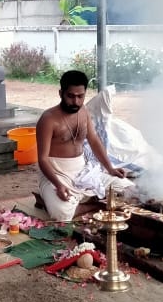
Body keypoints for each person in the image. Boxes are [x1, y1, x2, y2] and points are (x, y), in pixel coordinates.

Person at [36, 70, 132, 221]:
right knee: (61, 214)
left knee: (128, 189)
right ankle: (95, 206)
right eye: (71, 96)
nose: (76, 102)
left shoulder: (84, 111)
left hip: (84, 172)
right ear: (61, 93)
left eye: (80, 96)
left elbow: (94, 141)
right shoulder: (48, 119)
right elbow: (42, 159)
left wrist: (110, 169)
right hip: (57, 175)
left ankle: (83, 201)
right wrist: (58, 185)